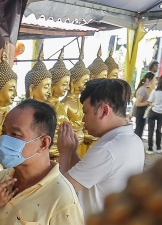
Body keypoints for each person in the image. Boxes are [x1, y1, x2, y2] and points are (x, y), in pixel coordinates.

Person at [57, 79, 145, 216]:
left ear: (104, 111)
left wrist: (65, 153)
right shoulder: (133, 140)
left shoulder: (108, 149)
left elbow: (60, 192)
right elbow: (89, 176)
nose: (83, 120)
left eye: (86, 113)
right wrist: (73, 152)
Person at [131, 72, 155, 139]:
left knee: (140, 128)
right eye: (152, 80)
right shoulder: (142, 89)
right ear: (148, 80)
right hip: (140, 111)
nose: (153, 82)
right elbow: (138, 104)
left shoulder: (144, 88)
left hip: (142, 111)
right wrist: (148, 103)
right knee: (139, 129)